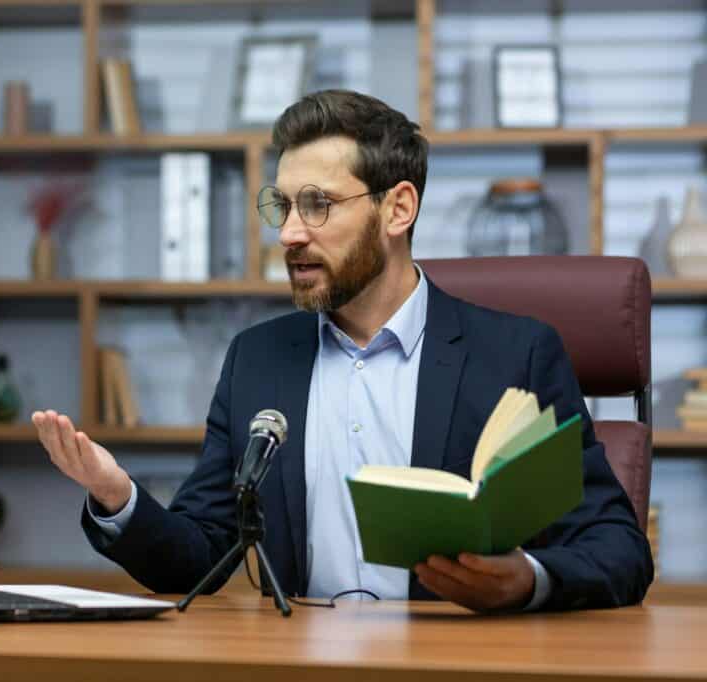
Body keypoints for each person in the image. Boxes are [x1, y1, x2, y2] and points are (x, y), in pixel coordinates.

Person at [32, 90, 653, 612]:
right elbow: (200, 555)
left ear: (398, 208)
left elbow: (618, 549)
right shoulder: (257, 359)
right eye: (281, 205)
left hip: (461, 665)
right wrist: (118, 498)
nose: (290, 233)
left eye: (318, 205)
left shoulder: (517, 356)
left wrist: (527, 579)